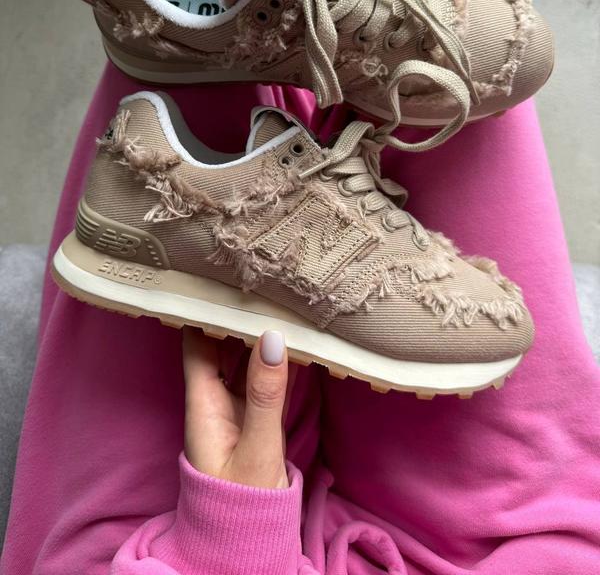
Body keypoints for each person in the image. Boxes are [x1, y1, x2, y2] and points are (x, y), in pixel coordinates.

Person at [1, 67, 599, 575]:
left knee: (185, 77)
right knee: (450, 77)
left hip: (178, 551)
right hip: (481, 555)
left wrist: (231, 537)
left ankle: (206, 14)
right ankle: (310, 22)